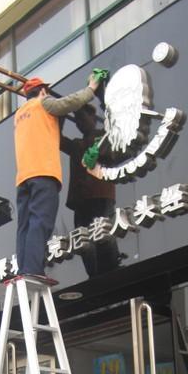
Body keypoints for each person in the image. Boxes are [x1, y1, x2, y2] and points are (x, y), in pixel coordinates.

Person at [13, 73, 101, 280]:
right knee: (41, 222)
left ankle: (24, 269)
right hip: (43, 173)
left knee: (24, 226)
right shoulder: (43, 103)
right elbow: (70, 103)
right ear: (43, 91)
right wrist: (91, 88)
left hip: (23, 178)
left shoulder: (20, 114)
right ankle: (33, 270)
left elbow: (51, 132)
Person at [61, 104, 119, 277]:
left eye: (83, 118)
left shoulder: (104, 137)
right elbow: (57, 139)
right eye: (77, 120)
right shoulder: (77, 144)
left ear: (93, 119)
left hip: (100, 195)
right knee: (83, 239)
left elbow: (111, 154)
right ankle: (94, 275)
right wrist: (61, 111)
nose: (80, 123)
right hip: (81, 200)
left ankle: (111, 270)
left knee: (103, 234)